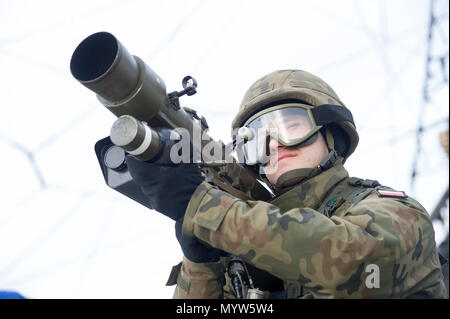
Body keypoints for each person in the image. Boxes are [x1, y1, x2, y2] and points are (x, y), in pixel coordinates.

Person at [126, 70, 446, 298]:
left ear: (331, 134)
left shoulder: (395, 212)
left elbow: (346, 261)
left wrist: (204, 208)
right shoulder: (246, 248)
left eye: (291, 126)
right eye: (258, 139)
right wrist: (201, 263)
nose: (275, 145)